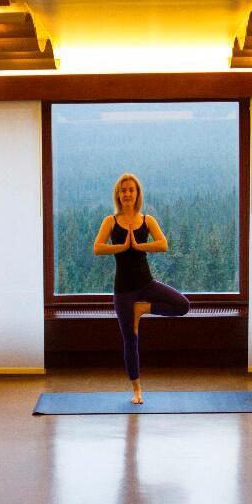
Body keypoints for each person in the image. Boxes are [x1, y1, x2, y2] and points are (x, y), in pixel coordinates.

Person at [93, 173, 189, 404]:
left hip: (146, 284)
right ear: (118, 194)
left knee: (183, 305)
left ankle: (143, 309)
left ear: (137, 194)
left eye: (131, 190)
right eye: (123, 190)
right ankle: (137, 390)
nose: (127, 193)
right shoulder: (110, 221)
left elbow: (163, 244)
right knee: (130, 339)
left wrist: (138, 246)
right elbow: (97, 248)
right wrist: (121, 247)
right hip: (123, 291)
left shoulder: (147, 220)